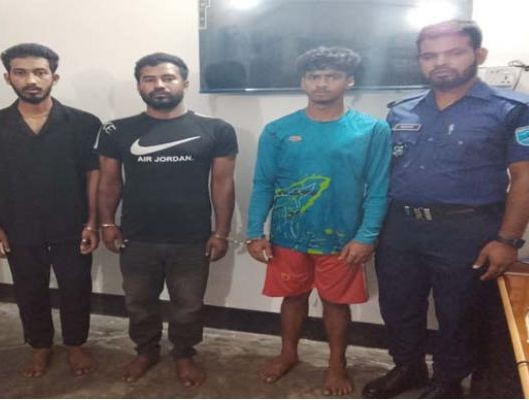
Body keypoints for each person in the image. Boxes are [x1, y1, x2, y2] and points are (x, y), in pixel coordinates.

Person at [362, 20, 529, 398]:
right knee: (398, 303)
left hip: (467, 229)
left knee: (459, 310)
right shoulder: (401, 111)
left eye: (454, 52)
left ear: (478, 55)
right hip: (401, 225)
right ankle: (408, 367)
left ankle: (448, 381)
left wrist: (508, 240)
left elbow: (524, 178)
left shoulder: (512, 109)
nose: (441, 62)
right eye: (430, 55)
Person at [245, 47, 391, 396]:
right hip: (287, 235)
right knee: (292, 297)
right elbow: (263, 183)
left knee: (336, 302)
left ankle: (337, 364)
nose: (322, 84)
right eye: (314, 76)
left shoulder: (372, 129)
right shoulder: (278, 130)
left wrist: (366, 236)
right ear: (303, 81)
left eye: (332, 76)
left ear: (349, 81)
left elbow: (379, 188)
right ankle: (288, 354)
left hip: (343, 238)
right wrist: (254, 232)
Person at [95, 53, 237, 387]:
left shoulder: (216, 129)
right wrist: (107, 223)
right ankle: (146, 351)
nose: (159, 85)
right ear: (139, 86)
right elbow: (109, 181)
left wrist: (221, 232)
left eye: (168, 78)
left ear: (184, 83)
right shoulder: (116, 130)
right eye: (149, 79)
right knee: (139, 303)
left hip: (191, 238)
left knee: (188, 305)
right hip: (136, 237)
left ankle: (184, 354)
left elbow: (223, 183)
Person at [0, 43, 100, 378]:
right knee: (28, 289)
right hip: (17, 224)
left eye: (40, 72)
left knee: (75, 287)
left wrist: (93, 222)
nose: (31, 80)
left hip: (71, 223)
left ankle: (75, 344)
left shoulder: (84, 123)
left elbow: (94, 175)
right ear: (8, 78)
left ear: (54, 77)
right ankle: (40, 346)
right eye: (21, 73)